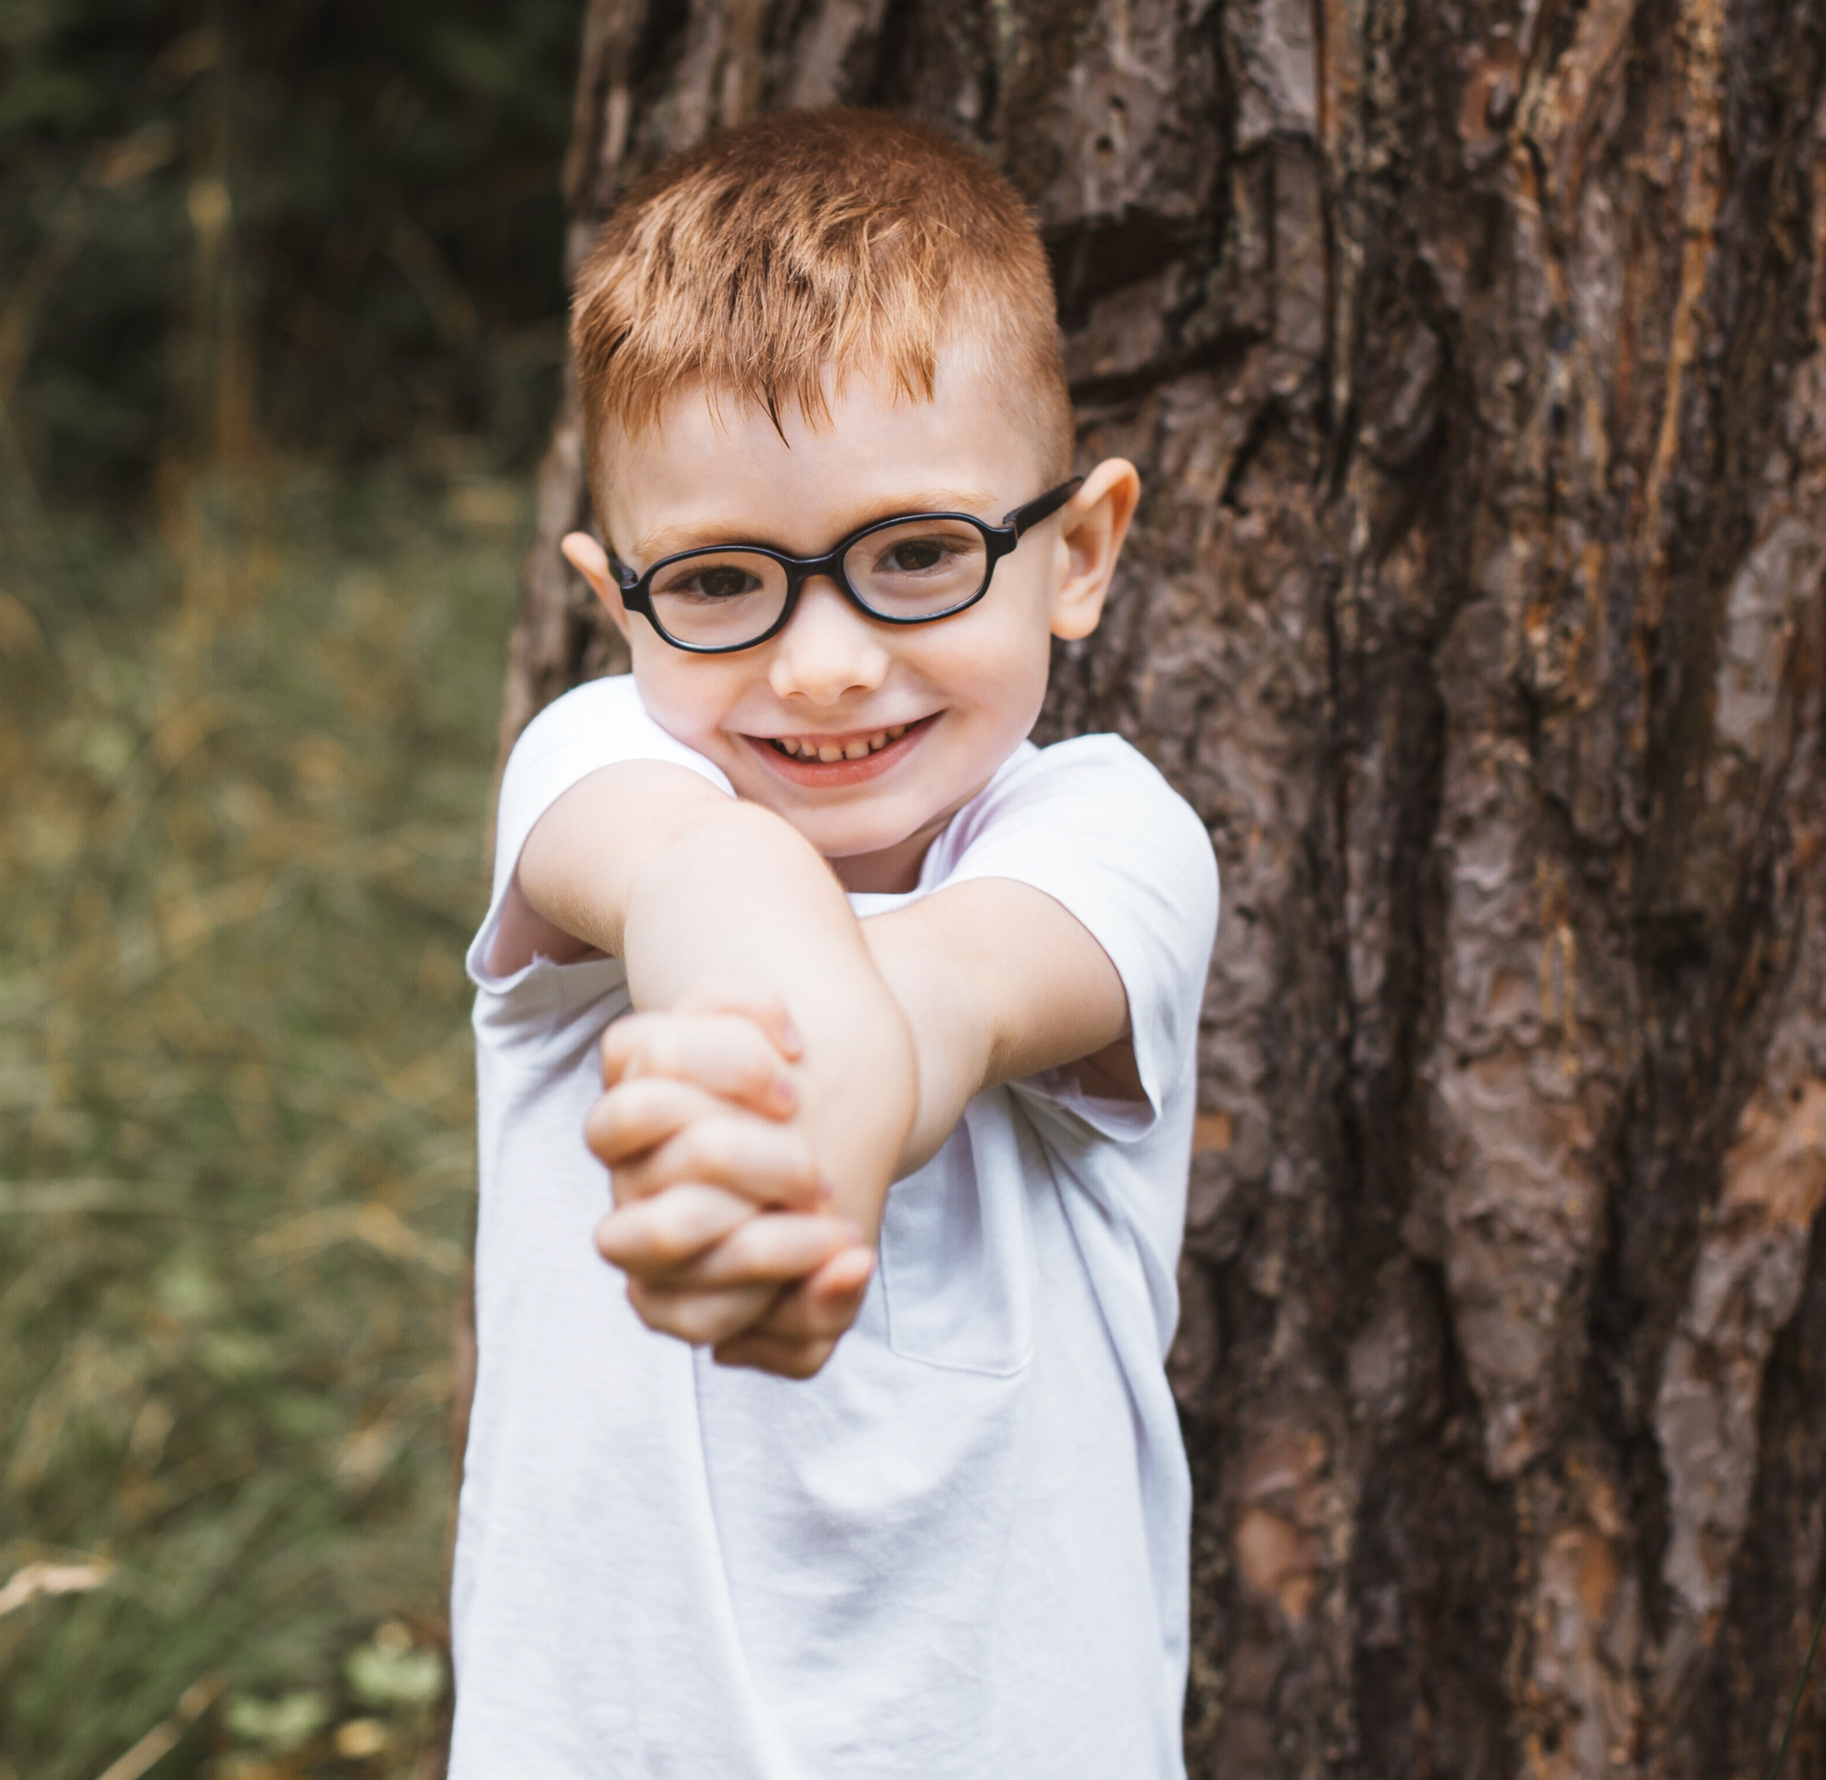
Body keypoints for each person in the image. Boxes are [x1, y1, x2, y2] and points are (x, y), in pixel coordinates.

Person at [448, 107, 1219, 1779]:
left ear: (1076, 553)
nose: (820, 665)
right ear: (616, 596)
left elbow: (953, 993)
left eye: (918, 556)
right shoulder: (595, 768)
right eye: (722, 582)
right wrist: (786, 1077)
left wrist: (830, 1124)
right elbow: (701, 881)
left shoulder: (1112, 839)